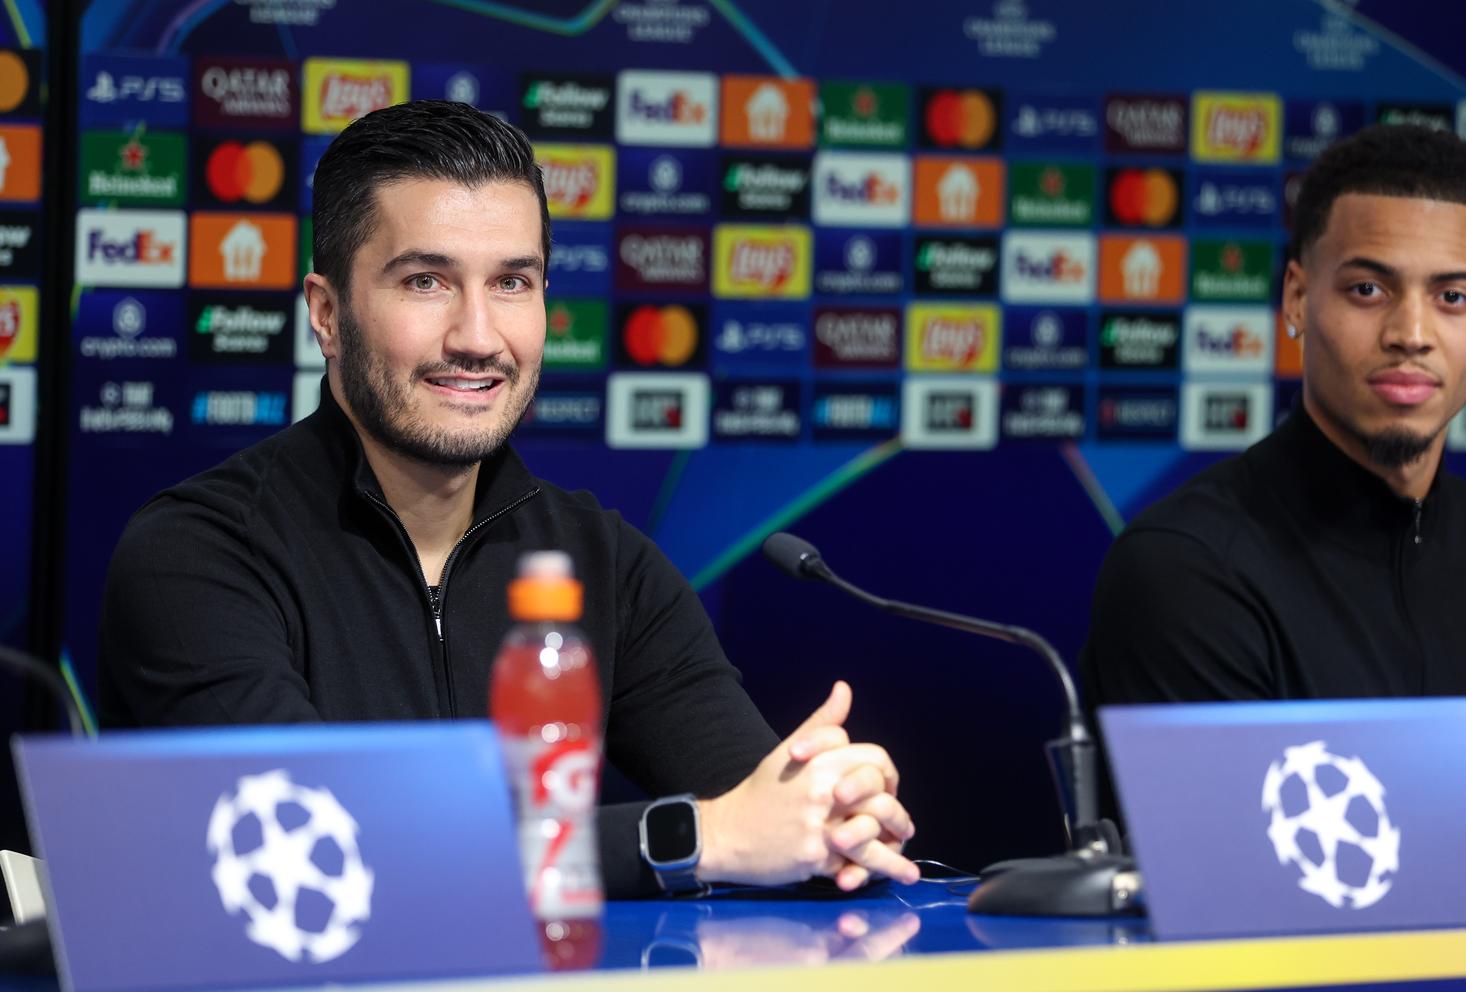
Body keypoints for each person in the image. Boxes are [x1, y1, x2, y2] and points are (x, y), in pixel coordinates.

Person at [98, 100, 917, 899]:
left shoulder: (603, 559)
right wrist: (692, 837)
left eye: (513, 282)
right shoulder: (197, 554)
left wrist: (830, 814)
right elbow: (320, 841)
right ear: (327, 313)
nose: (479, 336)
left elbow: (756, 809)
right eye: (426, 281)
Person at [1081, 123, 1466, 830]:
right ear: (1297, 298)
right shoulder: (1185, 568)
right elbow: (1233, 885)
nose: (1410, 332)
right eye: (1367, 288)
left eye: (1452, 297)